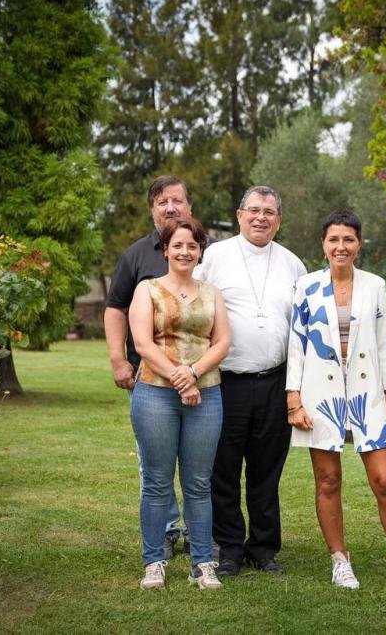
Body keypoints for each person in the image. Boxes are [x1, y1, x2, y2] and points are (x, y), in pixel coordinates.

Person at [286, 209, 386, 591]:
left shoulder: (375, 285)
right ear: (323, 244)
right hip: (321, 394)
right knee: (328, 479)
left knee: (385, 480)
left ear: (358, 244)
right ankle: (340, 560)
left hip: (367, 393)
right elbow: (297, 345)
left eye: (348, 239)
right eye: (333, 239)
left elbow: (383, 343)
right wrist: (294, 399)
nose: (341, 246)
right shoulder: (306, 286)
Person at [195, 186, 307, 577]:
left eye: (270, 212)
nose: (262, 217)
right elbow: (194, 306)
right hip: (226, 382)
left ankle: (263, 547)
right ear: (240, 214)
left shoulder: (293, 264)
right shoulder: (214, 257)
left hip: (276, 381)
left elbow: (304, 327)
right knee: (223, 468)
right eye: (254, 210)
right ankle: (228, 548)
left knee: (266, 470)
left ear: (279, 220)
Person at [128, 217, 230, 590]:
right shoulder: (147, 290)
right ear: (165, 250)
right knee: (156, 482)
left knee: (200, 484)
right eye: (178, 245)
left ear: (200, 251)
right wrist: (178, 377)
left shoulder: (212, 292)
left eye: (192, 246)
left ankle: (203, 562)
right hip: (155, 393)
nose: (185, 252)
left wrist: (194, 373)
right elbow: (143, 344)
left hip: (207, 395)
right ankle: (154, 561)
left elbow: (222, 342)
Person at [105, 175, 191, 560]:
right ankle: (168, 529)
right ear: (152, 209)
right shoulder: (136, 255)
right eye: (161, 202)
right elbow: (114, 308)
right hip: (150, 378)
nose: (169, 207)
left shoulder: (204, 251)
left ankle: (199, 530)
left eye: (177, 200)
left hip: (199, 376)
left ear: (189, 207)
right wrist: (118, 359)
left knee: (200, 459)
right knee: (153, 462)